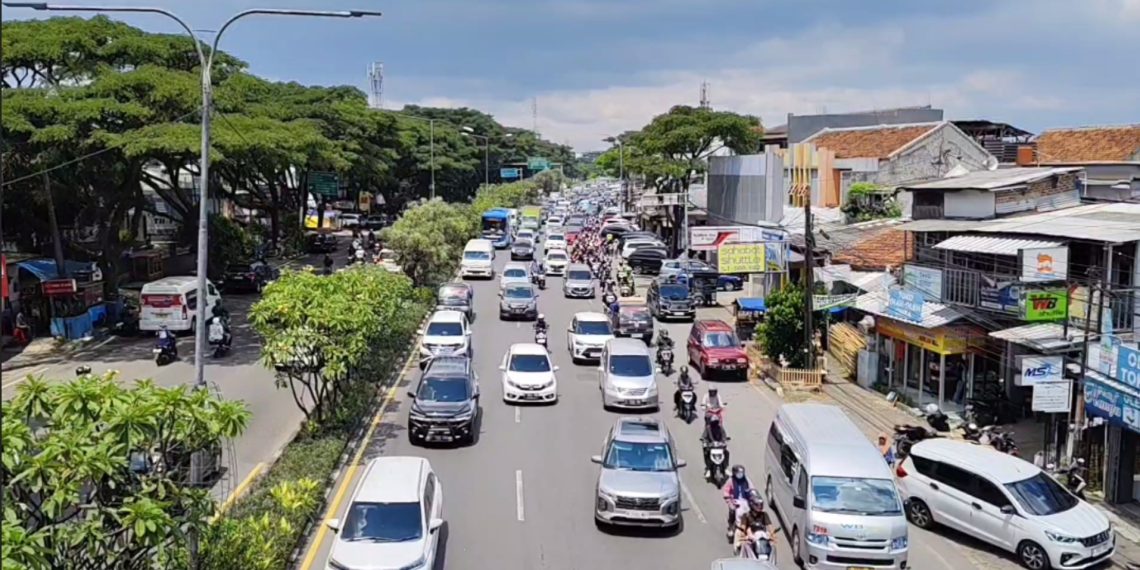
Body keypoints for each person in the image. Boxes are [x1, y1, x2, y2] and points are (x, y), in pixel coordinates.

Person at [735, 489, 776, 558]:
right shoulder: (746, 516)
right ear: (751, 504)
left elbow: (770, 527)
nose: (760, 507)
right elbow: (743, 529)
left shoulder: (764, 515)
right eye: (757, 505)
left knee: (773, 548)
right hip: (750, 541)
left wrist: (772, 536)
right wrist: (745, 537)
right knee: (744, 546)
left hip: (762, 541)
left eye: (761, 505)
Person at [722, 465, 753, 537]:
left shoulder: (746, 480)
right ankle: (731, 527)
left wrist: (752, 495)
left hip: (746, 500)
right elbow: (726, 491)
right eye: (739, 473)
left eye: (742, 473)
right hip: (735, 501)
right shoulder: (731, 481)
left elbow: (752, 488)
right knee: (732, 511)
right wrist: (729, 500)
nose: (740, 475)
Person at [701, 412, 729, 478]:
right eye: (714, 422)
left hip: (719, 445)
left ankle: (725, 467)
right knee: (706, 453)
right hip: (710, 446)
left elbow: (724, 435)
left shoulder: (720, 427)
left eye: (716, 422)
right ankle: (708, 468)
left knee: (726, 452)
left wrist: (724, 440)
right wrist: (705, 441)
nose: (715, 424)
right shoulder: (708, 428)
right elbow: (704, 436)